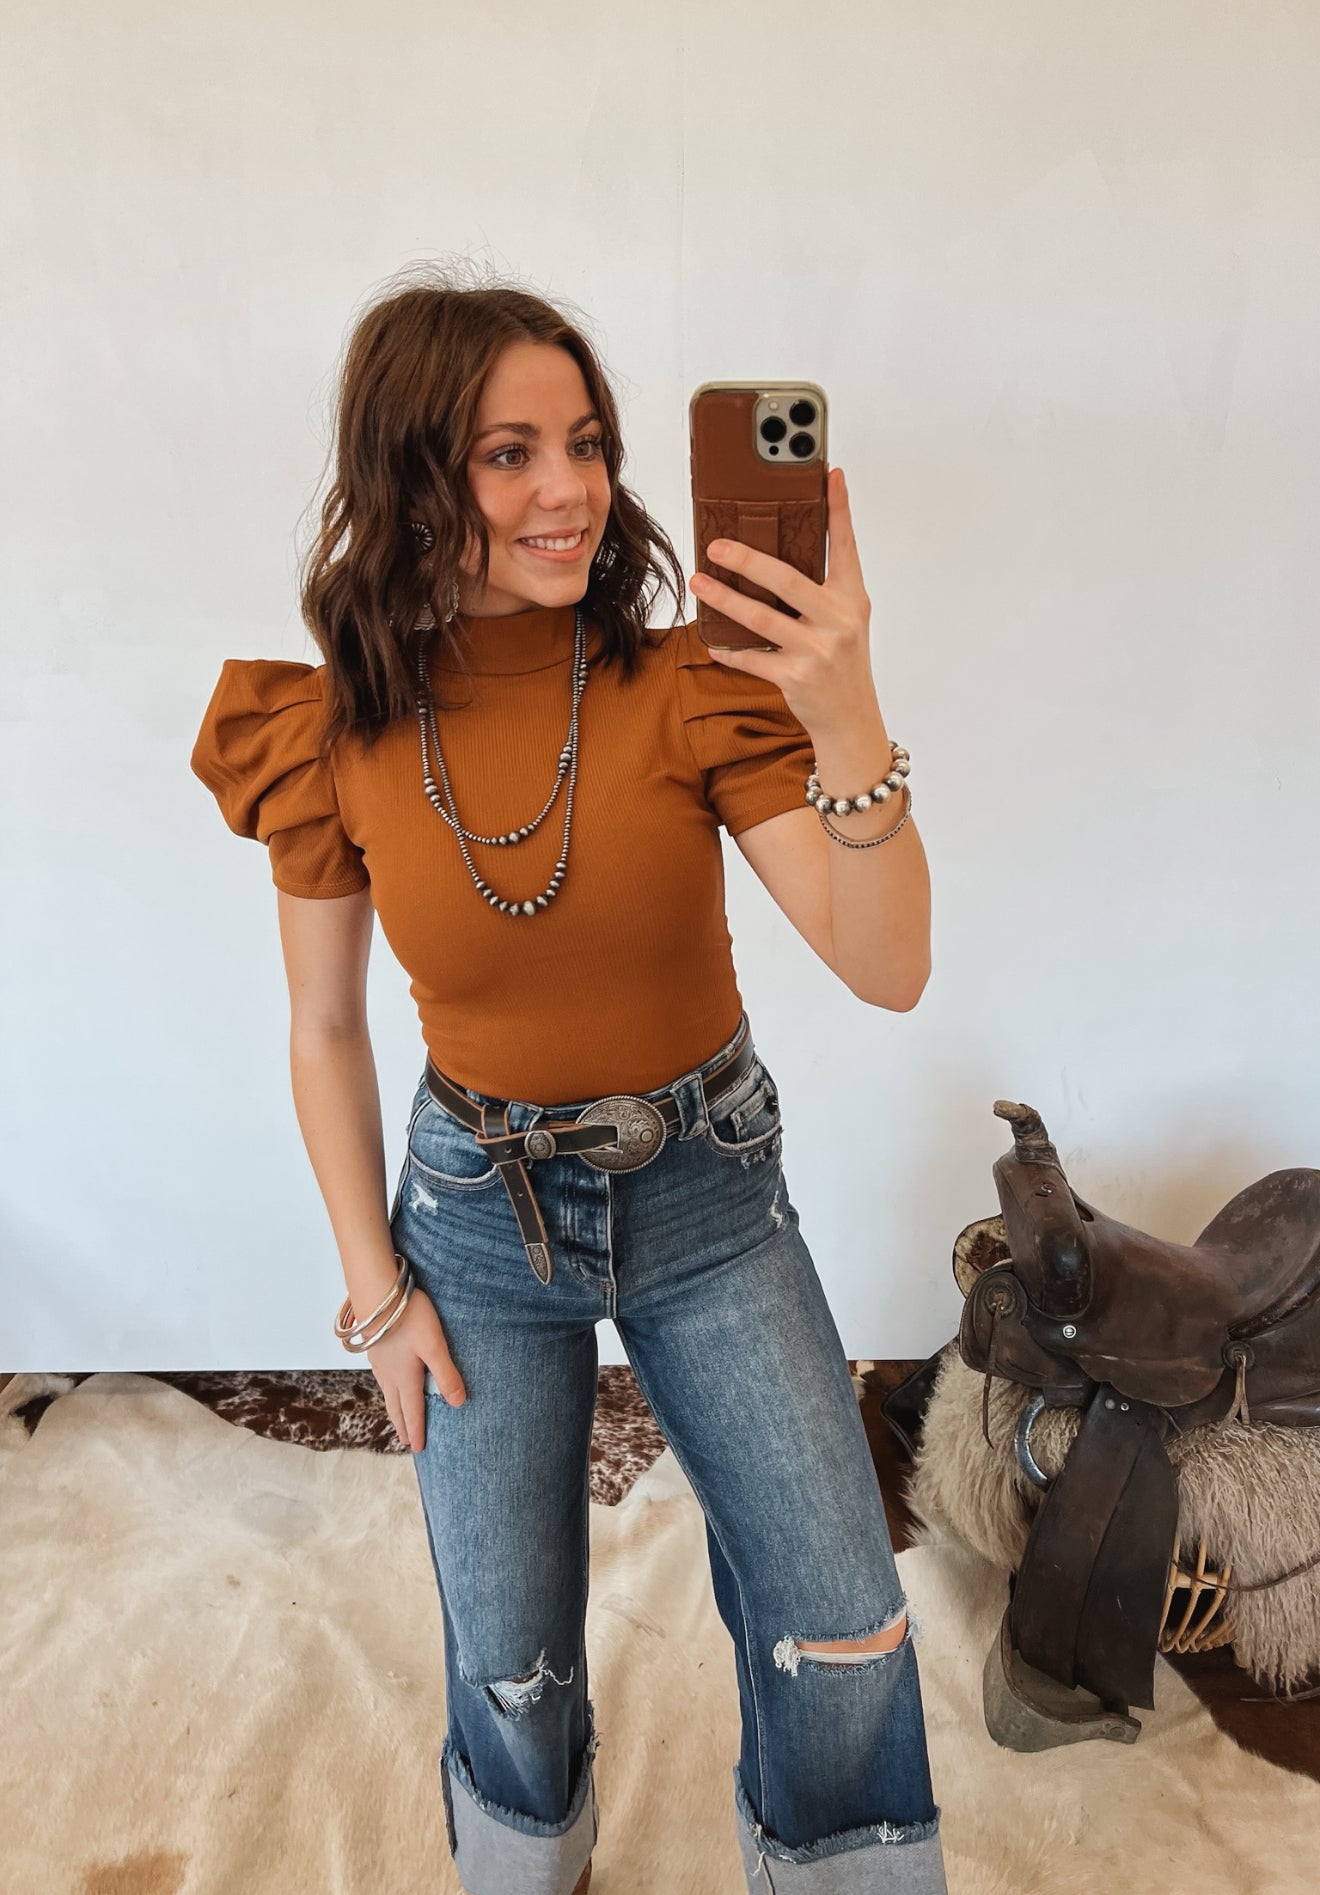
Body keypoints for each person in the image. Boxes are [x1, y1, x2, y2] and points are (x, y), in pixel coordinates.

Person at [190, 265, 945, 1895]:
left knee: (847, 1626)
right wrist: (378, 1295)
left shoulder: (692, 687)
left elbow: (888, 968)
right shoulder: (332, 734)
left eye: (587, 443)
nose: (571, 491)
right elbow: (325, 1029)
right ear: (412, 477)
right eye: (510, 453)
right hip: (474, 1223)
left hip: (711, 1203)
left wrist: (846, 711)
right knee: (511, 1663)